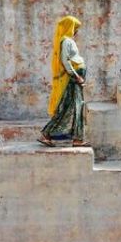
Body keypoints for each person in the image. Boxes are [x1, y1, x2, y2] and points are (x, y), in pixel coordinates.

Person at [38, 15, 88, 148]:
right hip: (73, 79)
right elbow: (65, 61)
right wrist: (76, 76)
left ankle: (77, 138)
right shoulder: (66, 41)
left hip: (75, 78)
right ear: (69, 27)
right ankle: (47, 134)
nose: (76, 31)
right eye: (75, 27)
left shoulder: (68, 41)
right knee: (70, 107)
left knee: (75, 106)